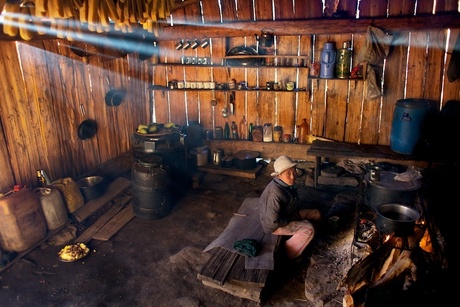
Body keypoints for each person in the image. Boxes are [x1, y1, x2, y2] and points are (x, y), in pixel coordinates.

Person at [259, 155, 321, 260]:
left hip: (287, 214)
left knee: (316, 214)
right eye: (288, 173)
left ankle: (309, 242)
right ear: (279, 176)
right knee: (309, 229)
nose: (293, 176)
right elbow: (271, 222)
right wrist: (290, 219)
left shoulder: (285, 184)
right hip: (275, 226)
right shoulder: (275, 193)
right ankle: (288, 255)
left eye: (293, 171)